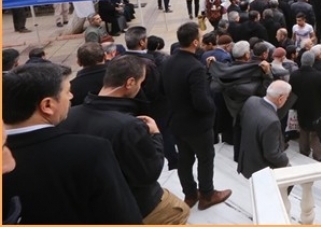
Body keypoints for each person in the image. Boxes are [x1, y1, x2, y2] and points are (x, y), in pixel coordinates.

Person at [2, 63, 143, 224]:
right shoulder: (90, 151)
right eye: (67, 91)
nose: (71, 96)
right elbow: (121, 216)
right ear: (47, 105)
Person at [59, 56, 190, 224]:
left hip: (92, 205)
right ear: (129, 83)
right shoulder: (128, 126)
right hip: (132, 205)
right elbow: (149, 173)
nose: (140, 87)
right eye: (140, 83)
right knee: (180, 210)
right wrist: (156, 135)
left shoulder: (69, 116)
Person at [161, 22, 232, 210]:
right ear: (194, 42)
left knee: (185, 159)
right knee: (205, 158)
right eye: (200, 38)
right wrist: (211, 110)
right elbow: (201, 101)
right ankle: (207, 194)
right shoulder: (195, 67)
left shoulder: (168, 61)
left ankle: (190, 194)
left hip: (177, 122)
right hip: (196, 125)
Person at [237, 81, 292, 178]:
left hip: (247, 161)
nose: (286, 100)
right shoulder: (272, 122)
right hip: (261, 169)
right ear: (280, 99)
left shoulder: (251, 101)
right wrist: (286, 161)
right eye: (287, 98)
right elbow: (272, 154)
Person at [289, 51, 321, 162]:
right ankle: (318, 155)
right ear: (313, 62)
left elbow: (292, 92)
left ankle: (304, 151)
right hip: (316, 108)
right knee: (316, 133)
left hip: (300, 108)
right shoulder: (320, 76)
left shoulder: (294, 75)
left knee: (303, 130)